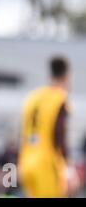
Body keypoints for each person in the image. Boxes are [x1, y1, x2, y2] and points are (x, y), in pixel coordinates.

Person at [18, 56, 76, 197]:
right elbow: (59, 133)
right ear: (67, 77)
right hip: (46, 165)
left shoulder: (32, 97)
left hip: (26, 162)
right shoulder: (59, 98)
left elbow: (22, 132)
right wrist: (67, 168)